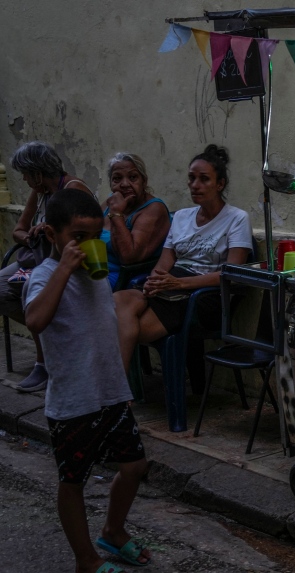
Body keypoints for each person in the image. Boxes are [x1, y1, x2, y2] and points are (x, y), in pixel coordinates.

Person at [24, 188, 150, 573]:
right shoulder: (46, 276)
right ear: (52, 235)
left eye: (96, 237)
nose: (88, 246)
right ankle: (86, 560)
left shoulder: (97, 277)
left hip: (110, 393)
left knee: (135, 466)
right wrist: (62, 268)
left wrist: (121, 385)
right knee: (73, 480)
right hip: (73, 403)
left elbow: (102, 330)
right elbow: (35, 321)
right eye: (78, 237)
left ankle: (113, 530)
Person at [114, 144, 252, 378]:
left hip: (205, 293)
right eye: (191, 178)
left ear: (220, 184)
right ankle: (118, 392)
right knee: (118, 301)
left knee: (128, 329)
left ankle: (116, 392)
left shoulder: (237, 219)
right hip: (171, 285)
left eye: (204, 179)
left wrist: (179, 285)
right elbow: (164, 263)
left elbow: (233, 273)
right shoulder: (181, 217)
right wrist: (154, 281)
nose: (195, 185)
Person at [4, 141, 94, 393]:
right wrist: (32, 235)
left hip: (67, 262)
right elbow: (18, 231)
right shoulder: (41, 191)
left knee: (27, 288)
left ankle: (44, 361)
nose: (23, 179)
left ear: (37, 172)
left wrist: (51, 232)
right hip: (37, 257)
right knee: (3, 287)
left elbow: (84, 236)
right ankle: (53, 337)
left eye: (25, 173)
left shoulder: (73, 190)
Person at [101, 152, 172, 289]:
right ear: (110, 184)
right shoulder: (110, 202)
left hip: (122, 277)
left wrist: (116, 214)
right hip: (94, 270)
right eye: (117, 179)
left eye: (133, 177)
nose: (125, 184)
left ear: (144, 181)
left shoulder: (154, 209)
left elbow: (128, 257)